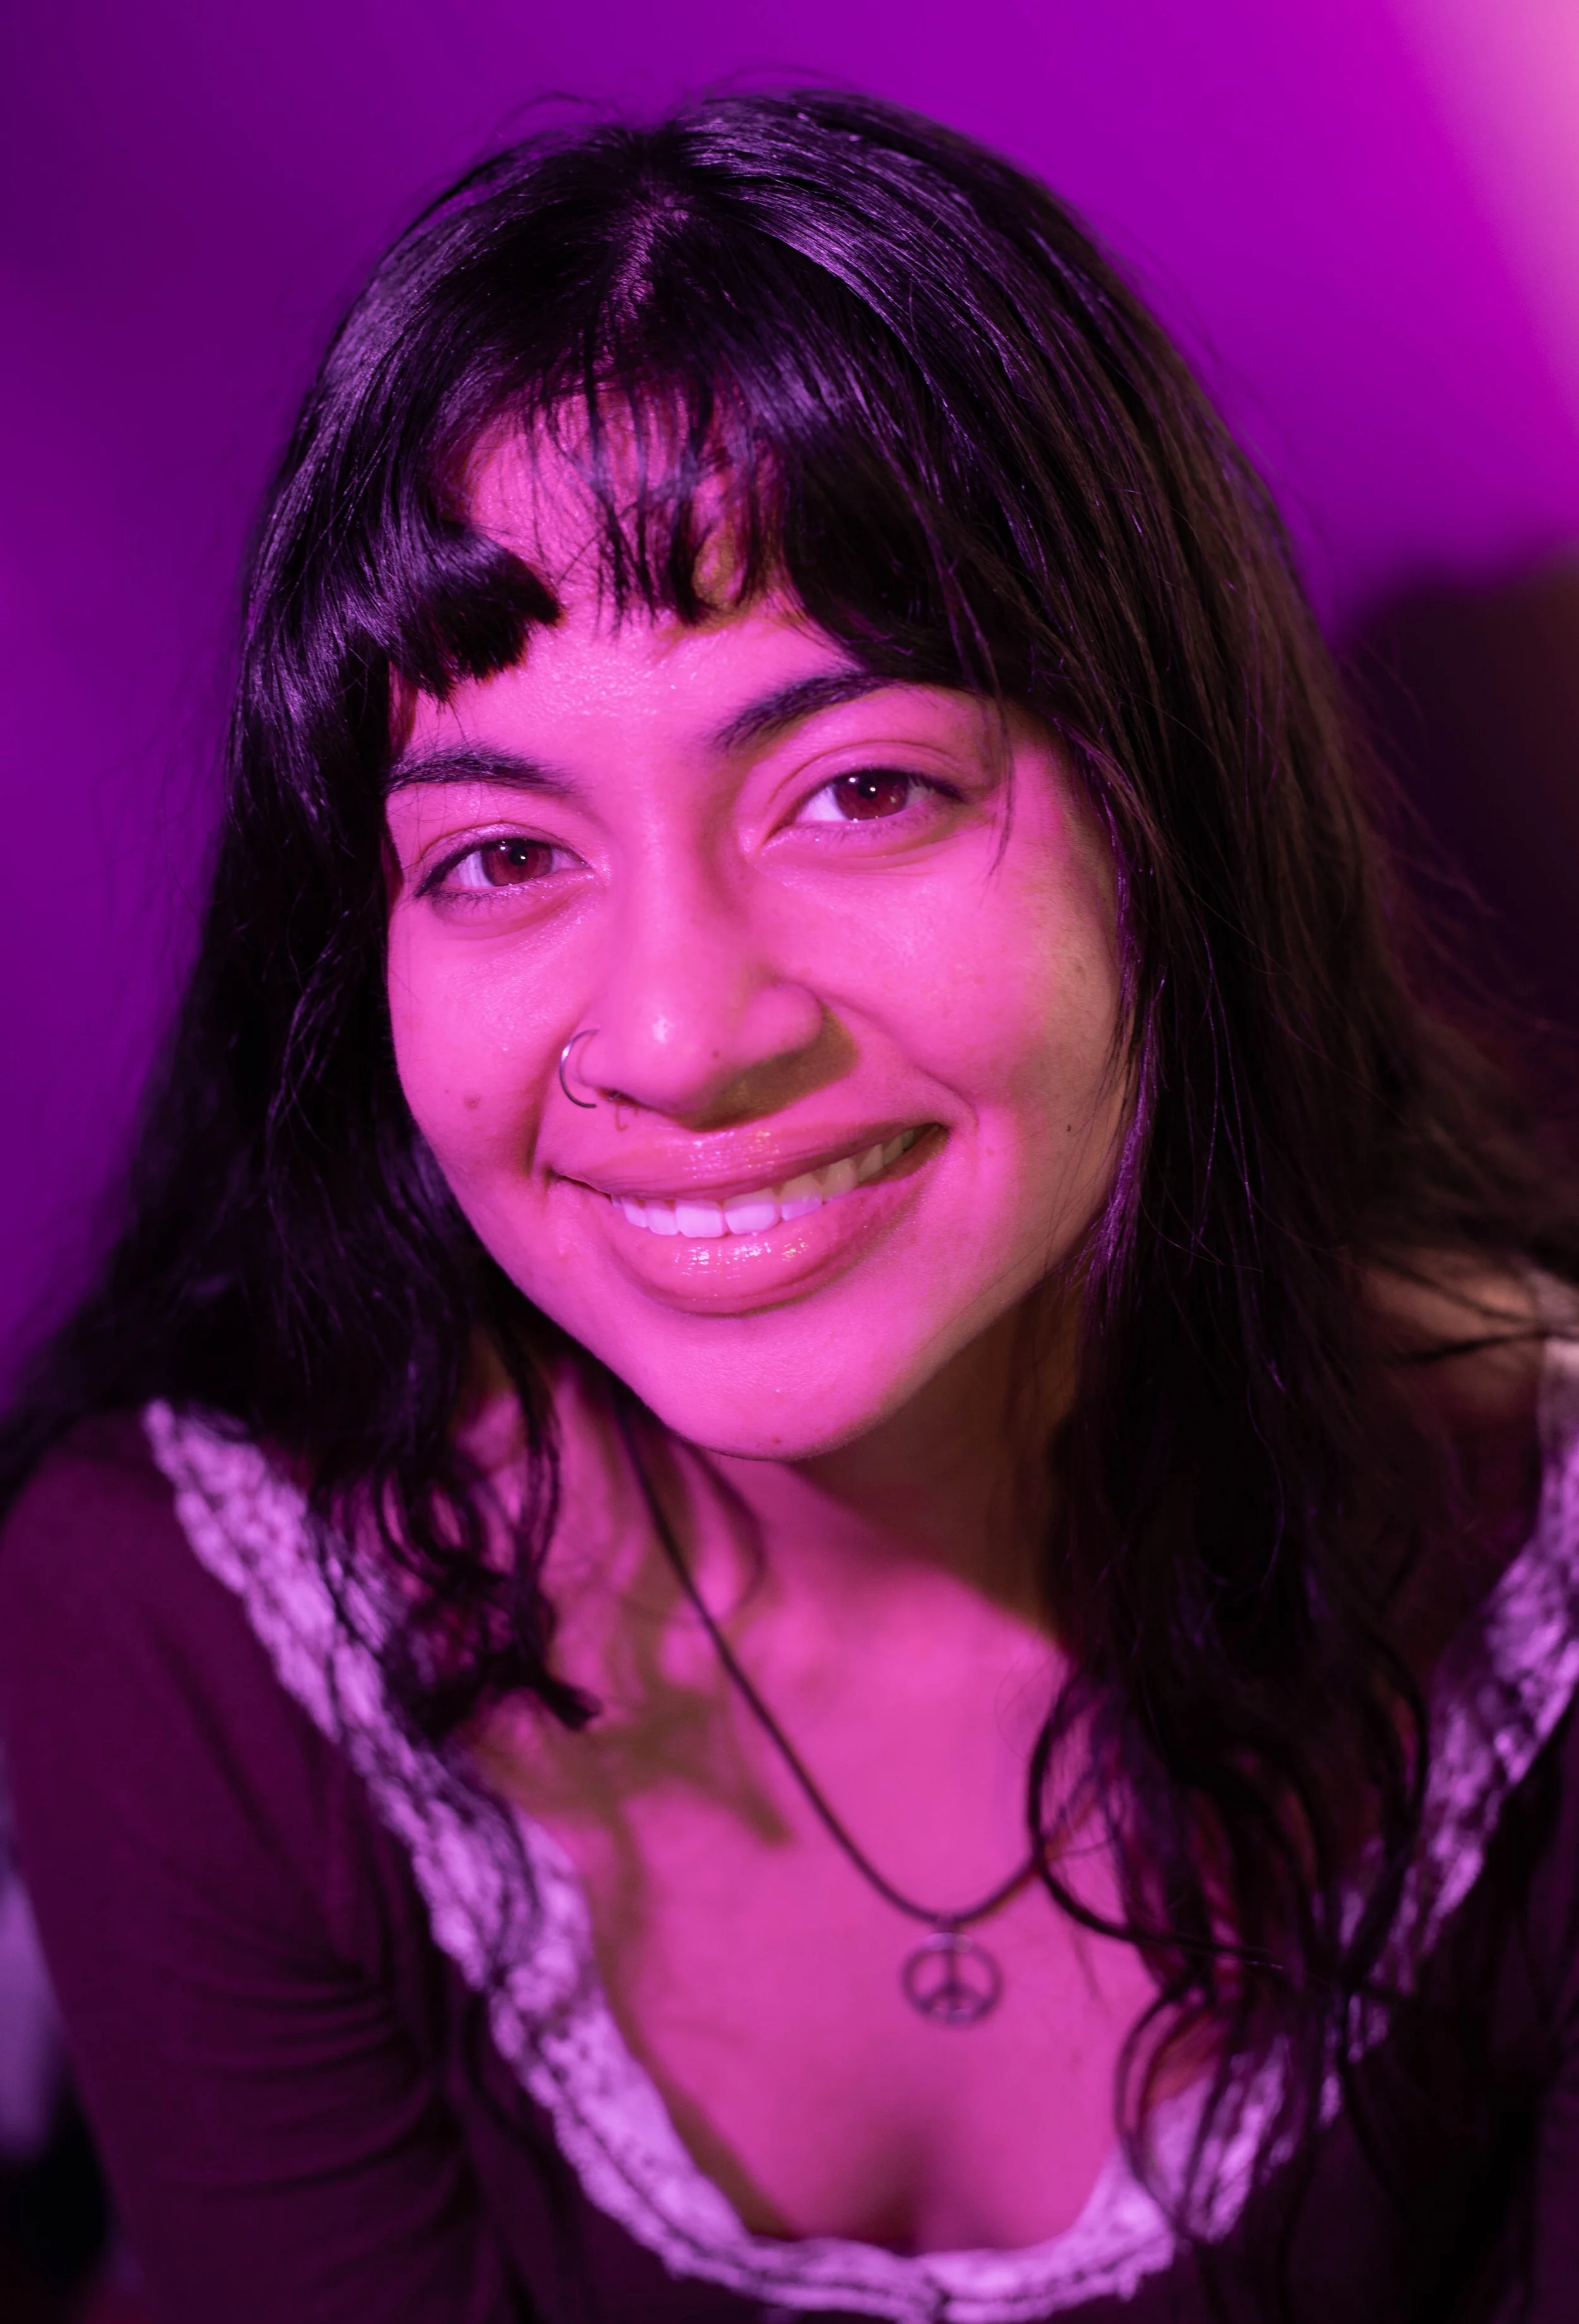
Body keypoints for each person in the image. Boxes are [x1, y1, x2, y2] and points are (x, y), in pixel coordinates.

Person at [1, 88, 1576, 2324]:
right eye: (500, 853)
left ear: (1174, 826)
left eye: (859, 789)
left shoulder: (1543, 1600)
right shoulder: (197, 1632)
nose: (677, 1031)